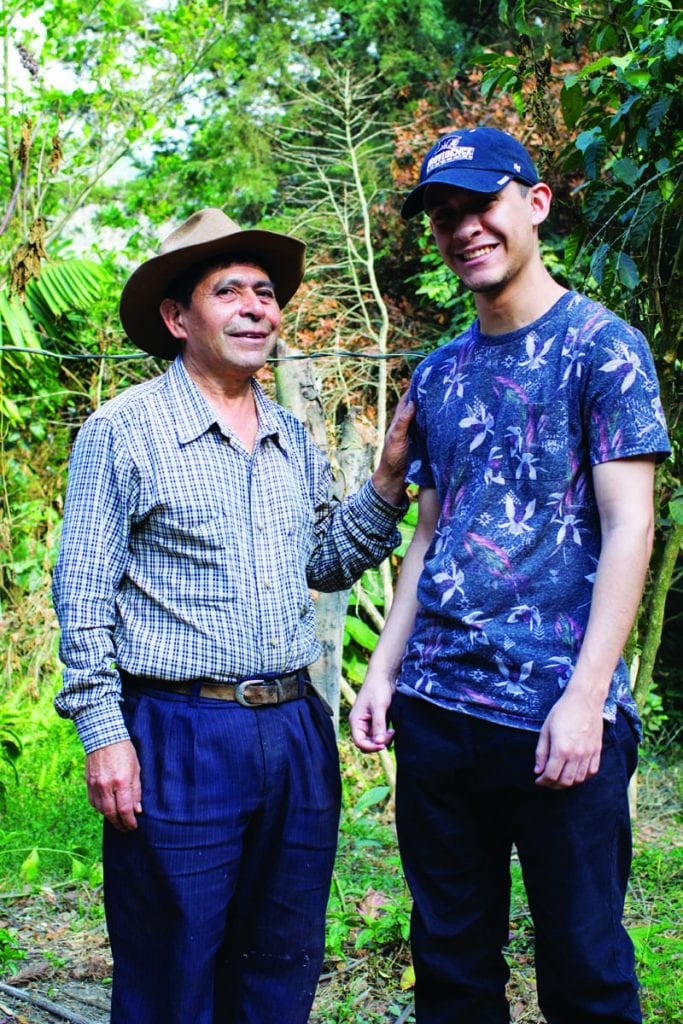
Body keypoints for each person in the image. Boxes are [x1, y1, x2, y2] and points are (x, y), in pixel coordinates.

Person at [52, 207, 413, 1024]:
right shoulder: (124, 431)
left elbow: (322, 565)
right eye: (229, 291)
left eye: (265, 292)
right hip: (177, 730)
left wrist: (387, 484)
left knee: (279, 961)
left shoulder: (292, 434)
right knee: (171, 965)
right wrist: (104, 734)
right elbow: (82, 590)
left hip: (291, 727)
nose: (256, 306)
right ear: (179, 319)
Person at [350, 126, 671, 1024]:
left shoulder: (603, 349)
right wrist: (383, 671)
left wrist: (586, 697)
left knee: (585, 966)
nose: (462, 229)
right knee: (450, 963)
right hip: (438, 712)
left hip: (556, 721)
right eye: (443, 215)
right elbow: (428, 535)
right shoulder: (440, 373)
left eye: (479, 205)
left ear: (532, 204)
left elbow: (628, 526)